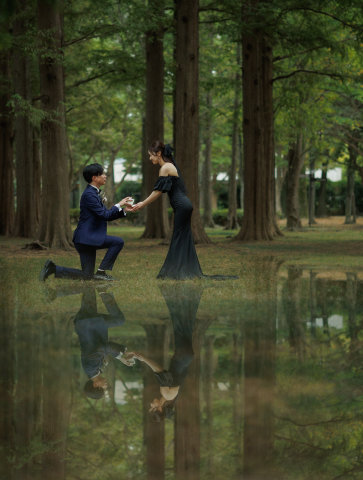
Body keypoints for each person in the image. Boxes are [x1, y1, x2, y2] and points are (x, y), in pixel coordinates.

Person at [128, 141, 238, 280]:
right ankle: (182, 271)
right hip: (183, 205)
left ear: (159, 153)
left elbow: (158, 191)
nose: (150, 158)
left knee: (179, 237)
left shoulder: (165, 168)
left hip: (182, 206)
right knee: (182, 237)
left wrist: (142, 203)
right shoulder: (167, 166)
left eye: (151, 155)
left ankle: (177, 272)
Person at [39, 163, 133, 282]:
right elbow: (105, 215)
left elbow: (106, 216)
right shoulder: (89, 195)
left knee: (87, 276)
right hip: (87, 238)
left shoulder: (93, 193)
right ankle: (101, 272)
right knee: (118, 242)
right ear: (94, 177)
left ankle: (53, 269)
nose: (105, 176)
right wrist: (119, 204)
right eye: (102, 174)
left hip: (84, 239)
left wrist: (123, 210)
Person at [128, 284, 204, 420]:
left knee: (185, 325)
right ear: (160, 408)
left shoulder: (170, 396)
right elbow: (158, 370)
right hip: (181, 357)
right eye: (152, 406)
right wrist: (143, 358)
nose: (151, 403)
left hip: (185, 358)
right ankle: (176, 292)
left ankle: (188, 292)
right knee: (179, 323)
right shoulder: (167, 395)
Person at [60, 285, 136, 400]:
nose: (106, 386)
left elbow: (106, 347)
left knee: (119, 320)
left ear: (95, 385)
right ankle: (100, 289)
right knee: (88, 287)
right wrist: (123, 355)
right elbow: (105, 349)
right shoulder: (95, 369)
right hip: (90, 325)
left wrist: (122, 356)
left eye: (103, 388)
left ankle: (60, 291)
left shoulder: (91, 367)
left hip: (88, 324)